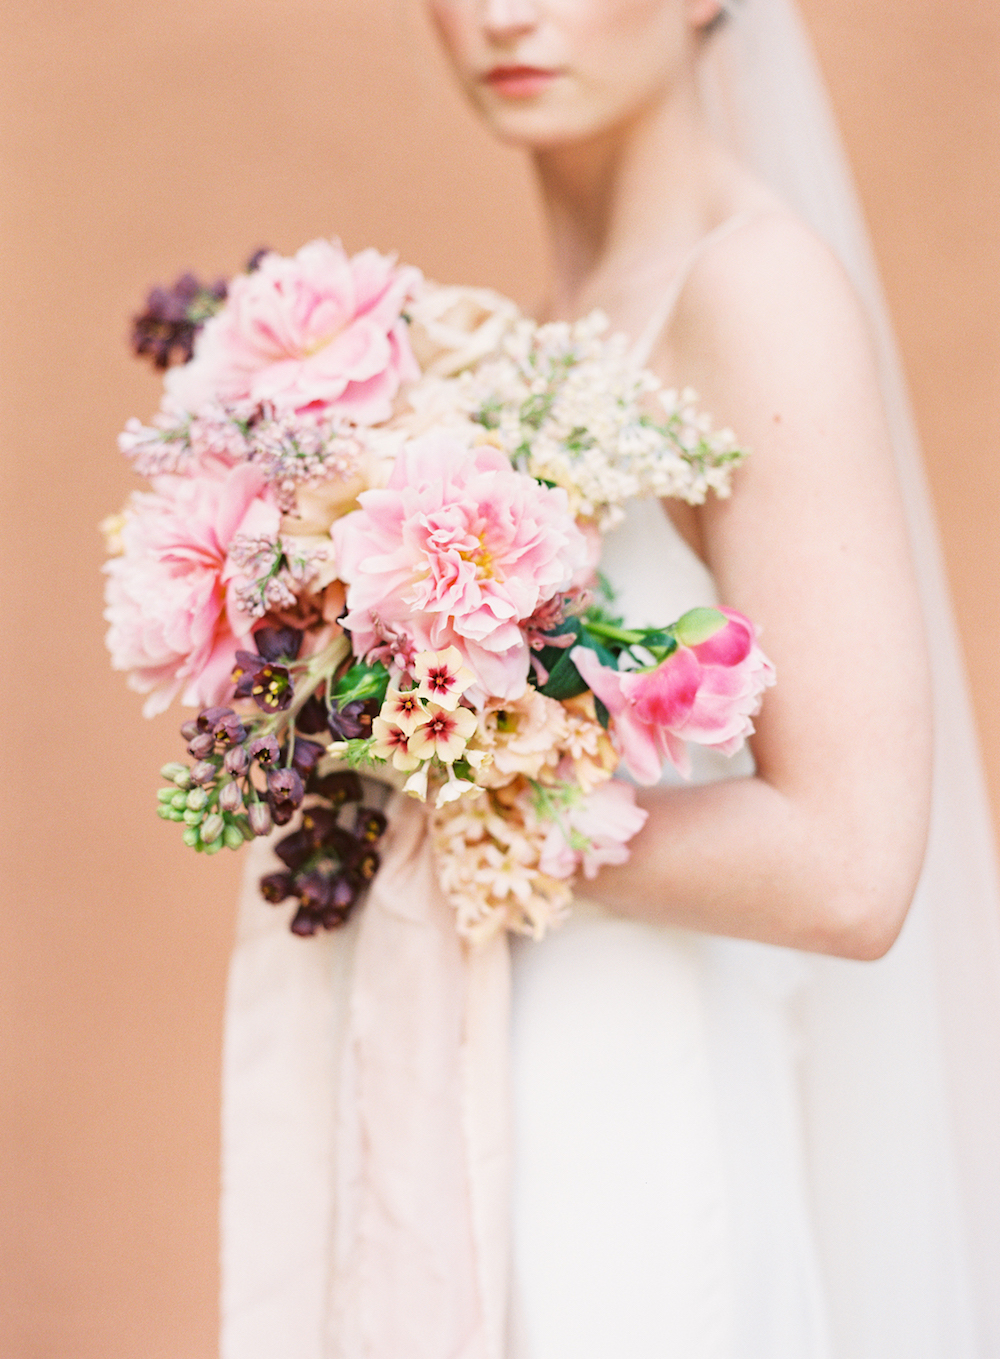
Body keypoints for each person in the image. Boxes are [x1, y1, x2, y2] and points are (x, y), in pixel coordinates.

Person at [220, 2, 1000, 1356]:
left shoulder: (754, 286)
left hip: (628, 1109)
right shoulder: (529, 333)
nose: (505, 15)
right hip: (492, 1080)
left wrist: (441, 800)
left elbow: (850, 864)